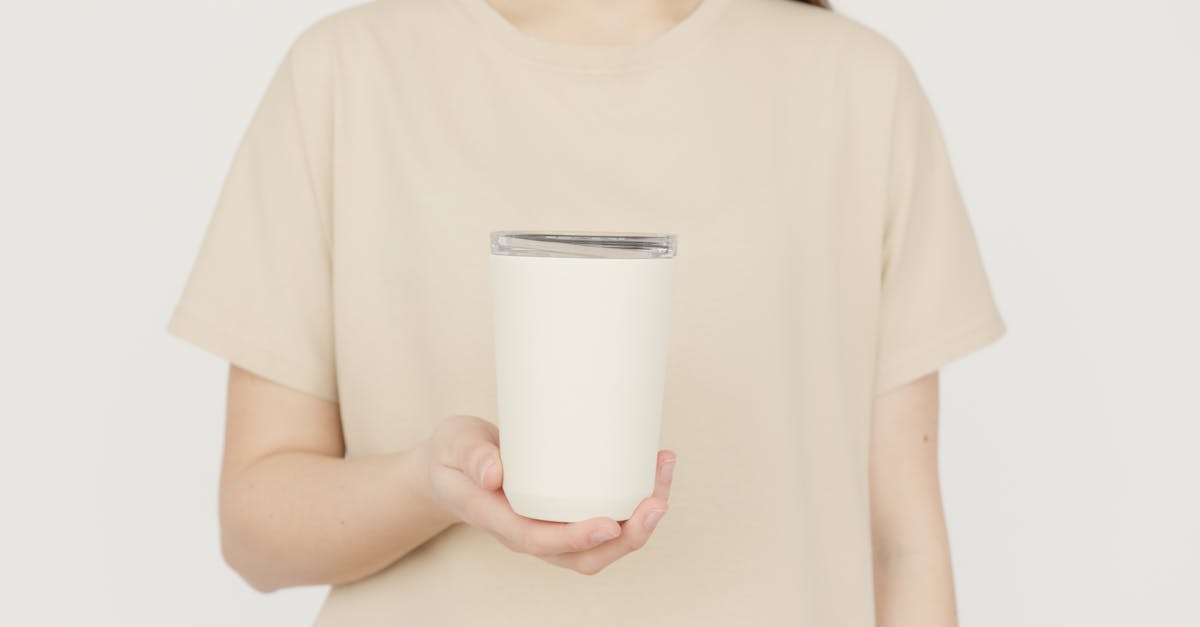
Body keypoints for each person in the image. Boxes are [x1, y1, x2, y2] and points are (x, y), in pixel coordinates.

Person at [167, 0, 1005, 624]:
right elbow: (256, 533)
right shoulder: (347, 74)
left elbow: (904, 540)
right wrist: (432, 484)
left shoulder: (855, 86)